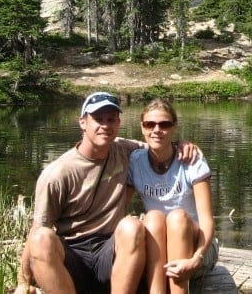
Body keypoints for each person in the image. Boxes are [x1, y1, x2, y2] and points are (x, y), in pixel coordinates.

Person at [15, 92, 198, 294]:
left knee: (132, 226)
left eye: (111, 120)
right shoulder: (57, 174)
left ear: (118, 123)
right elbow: (38, 227)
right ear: (83, 123)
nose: (105, 125)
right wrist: (24, 281)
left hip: (111, 252)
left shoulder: (125, 151)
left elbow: (159, 148)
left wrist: (182, 144)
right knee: (41, 239)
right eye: (98, 119)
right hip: (73, 254)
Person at [128, 98, 217, 294]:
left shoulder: (192, 160)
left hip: (199, 247)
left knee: (177, 218)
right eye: (150, 124)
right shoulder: (135, 161)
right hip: (158, 244)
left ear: (174, 127)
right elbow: (118, 207)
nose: (156, 130)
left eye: (164, 124)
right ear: (142, 128)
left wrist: (197, 258)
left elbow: (207, 221)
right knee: (152, 217)